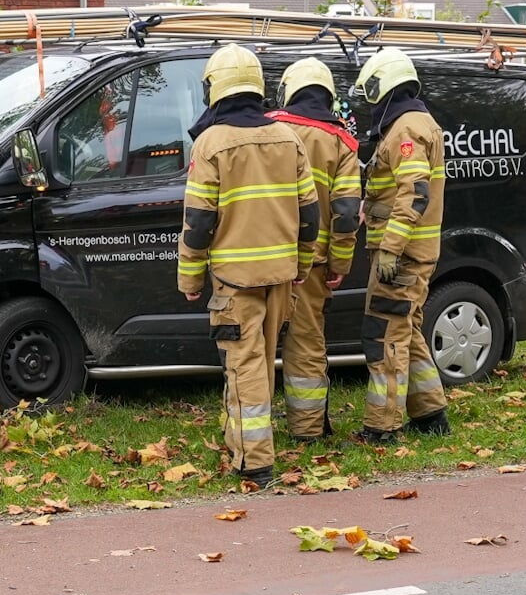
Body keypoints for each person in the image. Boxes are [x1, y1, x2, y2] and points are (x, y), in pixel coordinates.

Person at [177, 45, 319, 487]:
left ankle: (254, 461)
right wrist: (302, 264)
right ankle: (239, 440)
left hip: (235, 282)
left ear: (214, 88)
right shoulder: (287, 137)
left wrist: (189, 275)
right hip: (281, 276)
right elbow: (310, 213)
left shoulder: (211, 143)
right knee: (262, 360)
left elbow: (198, 222)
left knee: (245, 365)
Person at [350, 48, 449, 443]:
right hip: (415, 252)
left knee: (385, 335)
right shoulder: (417, 122)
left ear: (382, 85)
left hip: (402, 256)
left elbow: (414, 192)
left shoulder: (406, 130)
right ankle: (431, 414)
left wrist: (390, 246)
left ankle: (382, 426)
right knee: (407, 331)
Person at [266, 58, 362, 441]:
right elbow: (346, 212)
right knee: (306, 343)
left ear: (288, 90)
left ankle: (246, 433)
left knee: (253, 346)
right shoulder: (341, 142)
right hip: (315, 266)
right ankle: (306, 430)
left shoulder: (267, 127)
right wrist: (340, 263)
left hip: (263, 260)